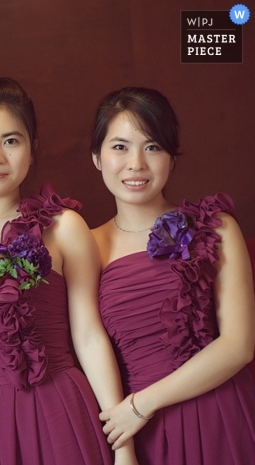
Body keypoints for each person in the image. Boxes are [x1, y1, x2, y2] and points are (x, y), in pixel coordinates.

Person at [0, 77, 134, 464]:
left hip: (60, 413)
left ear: (32, 148)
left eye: (11, 140)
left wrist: (123, 448)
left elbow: (90, 337)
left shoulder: (64, 226)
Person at [90, 86, 255, 464]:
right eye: (119, 147)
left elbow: (239, 345)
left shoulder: (216, 228)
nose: (136, 164)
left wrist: (140, 406)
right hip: (139, 436)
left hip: (220, 414)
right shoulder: (86, 246)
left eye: (152, 147)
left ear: (171, 156)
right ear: (96, 157)